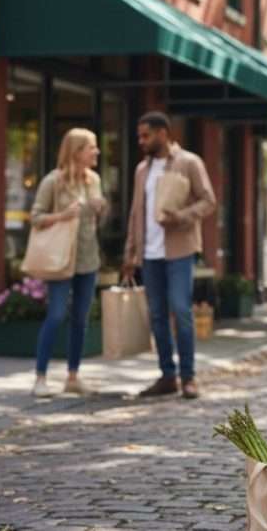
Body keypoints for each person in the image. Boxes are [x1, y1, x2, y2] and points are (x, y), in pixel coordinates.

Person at [123, 112, 216, 400]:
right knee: (157, 316)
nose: (141, 141)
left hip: (179, 250)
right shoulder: (142, 170)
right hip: (149, 255)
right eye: (140, 136)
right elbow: (135, 212)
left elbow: (208, 201)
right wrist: (130, 253)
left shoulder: (189, 162)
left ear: (163, 133)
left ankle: (189, 377)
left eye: (145, 135)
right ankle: (167, 375)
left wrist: (181, 217)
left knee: (181, 310)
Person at [30, 128, 108, 397]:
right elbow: (36, 217)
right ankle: (40, 377)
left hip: (88, 259)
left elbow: (97, 224)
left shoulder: (94, 181)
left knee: (80, 319)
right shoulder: (53, 181)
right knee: (56, 316)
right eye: (91, 147)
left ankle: (73, 376)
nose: (96, 152)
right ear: (76, 151)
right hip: (61, 259)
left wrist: (101, 209)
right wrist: (62, 215)